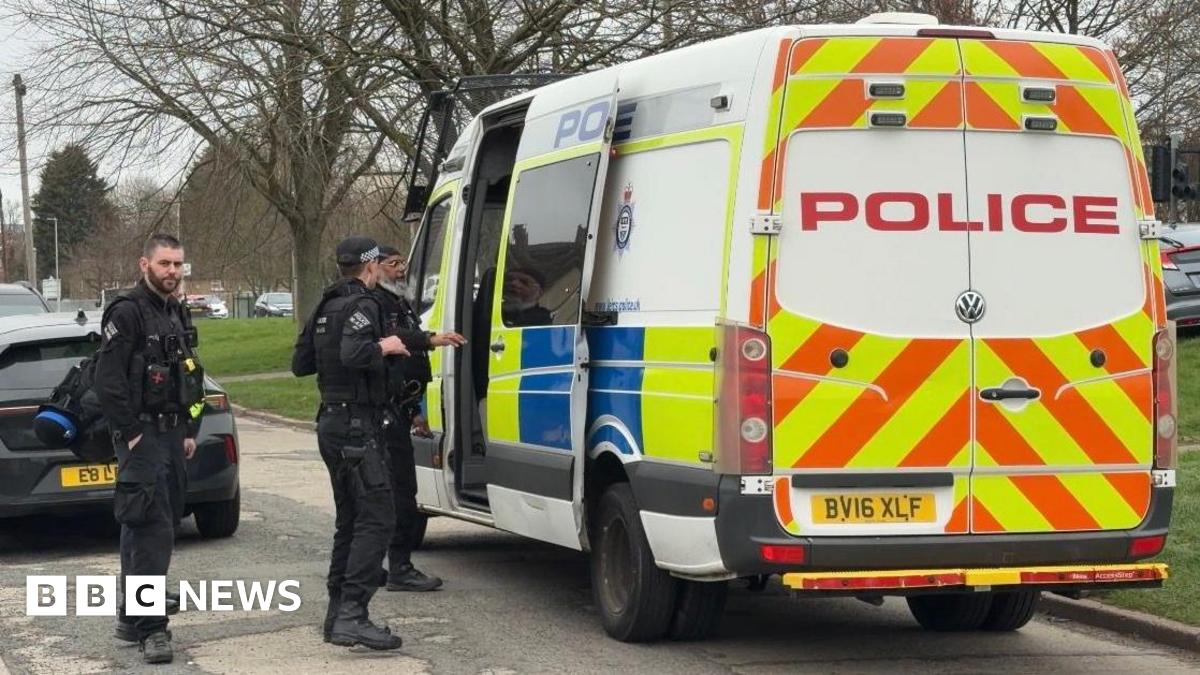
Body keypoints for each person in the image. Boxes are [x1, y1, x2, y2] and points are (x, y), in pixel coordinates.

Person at [291, 236, 409, 650]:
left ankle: (336, 615)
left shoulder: (327, 303)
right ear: (370, 264)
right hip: (358, 426)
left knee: (351, 520)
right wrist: (385, 345)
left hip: (331, 422)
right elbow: (356, 352)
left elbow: (300, 364)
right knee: (378, 517)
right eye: (380, 263)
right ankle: (353, 614)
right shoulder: (364, 303)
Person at [96, 233, 206, 664]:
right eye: (164, 264)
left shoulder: (175, 309)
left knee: (147, 526)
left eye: (178, 265)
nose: (172, 273)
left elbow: (190, 373)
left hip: (173, 435)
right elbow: (109, 381)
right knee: (152, 534)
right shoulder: (127, 313)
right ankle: (152, 629)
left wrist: (190, 427)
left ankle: (130, 613)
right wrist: (133, 434)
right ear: (145, 264)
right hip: (143, 437)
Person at [373, 246, 465, 592]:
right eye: (394, 264)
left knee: (398, 491)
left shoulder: (399, 302)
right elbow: (394, 344)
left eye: (404, 264)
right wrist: (431, 339)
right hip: (382, 414)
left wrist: (415, 412)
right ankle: (398, 567)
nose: (402, 270)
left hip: (400, 408)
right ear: (375, 267)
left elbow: (406, 367)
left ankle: (383, 566)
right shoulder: (375, 305)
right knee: (399, 493)